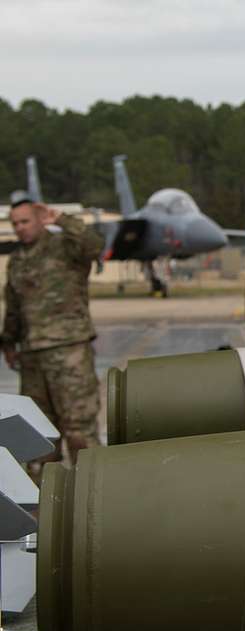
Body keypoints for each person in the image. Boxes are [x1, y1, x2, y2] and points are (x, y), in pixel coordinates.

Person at [1, 196, 103, 478]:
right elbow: (14, 307)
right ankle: (44, 504)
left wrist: (60, 219)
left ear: (39, 219)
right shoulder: (18, 260)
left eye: (25, 221)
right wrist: (8, 342)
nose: (20, 228)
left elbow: (94, 245)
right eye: (15, 223)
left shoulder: (64, 247)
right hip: (33, 356)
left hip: (69, 352)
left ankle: (93, 493)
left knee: (78, 429)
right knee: (38, 432)